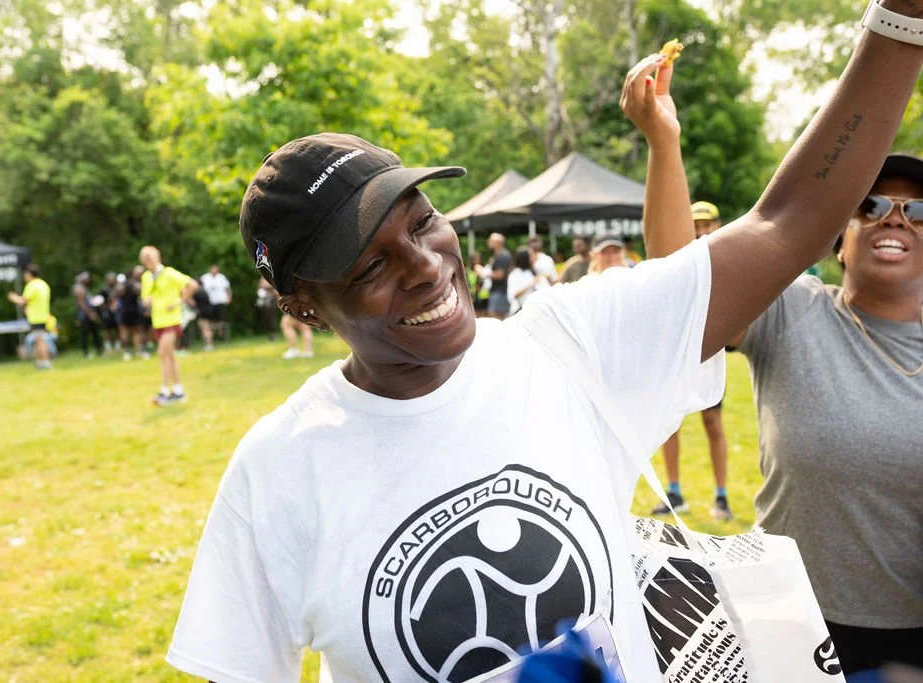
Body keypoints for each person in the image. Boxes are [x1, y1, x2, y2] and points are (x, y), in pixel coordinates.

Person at [168, 23, 923, 680]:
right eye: (370, 263)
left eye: (423, 220)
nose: (425, 263)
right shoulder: (276, 471)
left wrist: (899, 19)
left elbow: (787, 221)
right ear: (302, 302)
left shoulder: (568, 345)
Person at [629, 43, 923, 674]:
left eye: (918, 211)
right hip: (784, 623)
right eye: (869, 206)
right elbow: (679, 279)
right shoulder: (793, 311)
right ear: (839, 239)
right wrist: (664, 142)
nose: (893, 218)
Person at [651, 202, 732, 520]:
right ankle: (673, 492)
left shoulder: (724, 256)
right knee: (669, 425)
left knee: (713, 423)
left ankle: (721, 497)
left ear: (717, 225)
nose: (701, 230)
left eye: (706, 224)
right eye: (695, 224)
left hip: (708, 351)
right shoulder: (677, 258)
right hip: (675, 351)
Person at [139, 246, 199, 405]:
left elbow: (192, 285)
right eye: (145, 260)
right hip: (157, 320)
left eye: (150, 258)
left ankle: (165, 390)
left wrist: (179, 301)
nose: (148, 262)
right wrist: (148, 301)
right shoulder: (146, 277)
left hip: (172, 320)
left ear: (157, 258)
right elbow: (145, 298)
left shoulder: (169, 273)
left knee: (162, 352)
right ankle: (178, 390)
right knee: (169, 356)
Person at [7, 263, 52, 369]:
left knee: (39, 340)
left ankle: (44, 362)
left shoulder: (32, 285)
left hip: (36, 317)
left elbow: (22, 301)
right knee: (40, 339)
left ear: (29, 274)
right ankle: (41, 361)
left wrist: (13, 297)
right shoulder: (43, 284)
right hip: (44, 315)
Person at [480, 232, 512, 319]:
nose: (488, 242)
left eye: (490, 240)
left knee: (495, 317)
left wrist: (483, 273)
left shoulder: (502, 255)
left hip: (500, 292)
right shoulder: (499, 255)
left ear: (498, 242)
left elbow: (500, 275)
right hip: (498, 292)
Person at [118, 266, 146, 360]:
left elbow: (117, 294)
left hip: (125, 310)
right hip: (134, 309)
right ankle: (138, 351)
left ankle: (127, 352)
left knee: (125, 331)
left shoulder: (121, 285)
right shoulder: (135, 284)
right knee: (136, 331)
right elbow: (140, 294)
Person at [200, 264, 232, 348]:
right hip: (209, 302)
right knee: (210, 320)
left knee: (221, 319)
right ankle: (211, 335)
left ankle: (220, 332)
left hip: (220, 301)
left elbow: (227, 288)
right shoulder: (205, 277)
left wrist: (229, 298)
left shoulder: (221, 277)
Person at [73, 272, 102, 359]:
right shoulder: (79, 289)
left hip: (87, 314)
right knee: (85, 334)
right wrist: (90, 314)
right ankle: (86, 353)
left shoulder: (84, 288)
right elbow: (82, 303)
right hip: (84, 315)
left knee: (95, 333)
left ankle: (99, 351)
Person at [507, 246, 538, 315]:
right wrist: (531, 284)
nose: (534, 257)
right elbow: (513, 295)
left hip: (532, 311)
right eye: (531, 255)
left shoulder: (531, 272)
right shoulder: (515, 274)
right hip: (519, 312)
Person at [255, 276, 279, 341]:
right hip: (264, 300)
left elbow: (272, 287)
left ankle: (273, 334)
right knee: (266, 318)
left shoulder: (271, 277)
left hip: (271, 300)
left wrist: (266, 287)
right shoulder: (263, 276)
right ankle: (270, 333)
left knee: (271, 317)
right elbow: (260, 286)